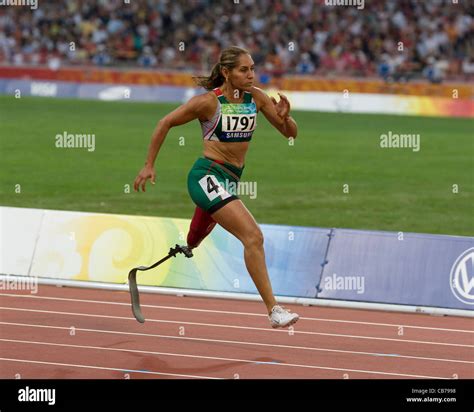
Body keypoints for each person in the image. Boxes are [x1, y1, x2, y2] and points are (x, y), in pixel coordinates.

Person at [133, 46, 299, 328]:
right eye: (243, 70)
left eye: (252, 68)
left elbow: (290, 135)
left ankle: (188, 244)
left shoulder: (256, 98)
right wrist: (149, 165)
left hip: (228, 180)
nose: (251, 75)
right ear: (226, 72)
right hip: (206, 176)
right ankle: (274, 310)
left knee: (197, 235)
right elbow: (165, 123)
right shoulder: (209, 103)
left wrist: (286, 117)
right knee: (253, 237)